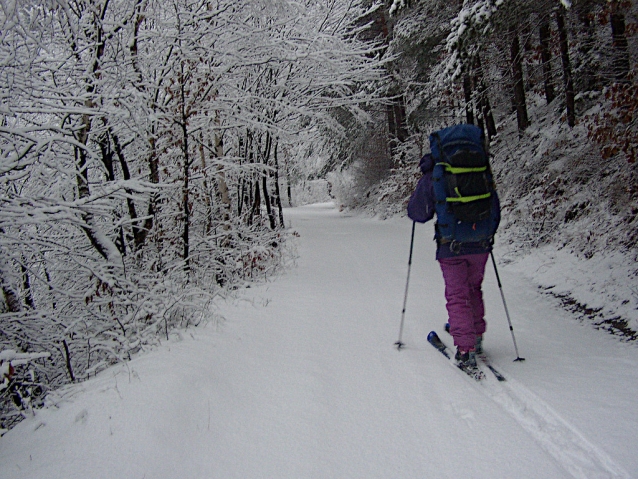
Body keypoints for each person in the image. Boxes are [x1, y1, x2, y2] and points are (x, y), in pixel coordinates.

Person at [407, 140, 500, 370]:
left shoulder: (437, 172)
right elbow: (495, 209)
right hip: (480, 244)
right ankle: (475, 337)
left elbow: (419, 213)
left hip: (451, 245)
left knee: (457, 295)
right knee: (473, 289)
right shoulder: (480, 169)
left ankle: (465, 350)